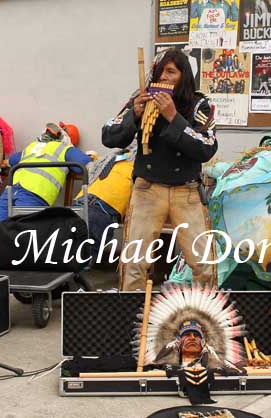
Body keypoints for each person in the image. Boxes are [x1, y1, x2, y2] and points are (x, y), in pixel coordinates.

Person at [102, 49, 218, 291]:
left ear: (183, 76)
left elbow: (207, 148)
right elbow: (108, 135)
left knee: (203, 264)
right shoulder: (142, 97)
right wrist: (134, 115)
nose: (163, 77)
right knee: (134, 264)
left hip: (186, 192)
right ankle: (129, 321)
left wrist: (173, 117)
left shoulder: (199, 104)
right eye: (160, 71)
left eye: (171, 72)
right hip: (147, 189)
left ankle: (204, 321)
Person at [0, 123, 92, 275]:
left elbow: (12, 160)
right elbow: (83, 164)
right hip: (30, 190)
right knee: (15, 227)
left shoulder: (35, 146)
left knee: (9, 226)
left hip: (22, 189)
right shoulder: (65, 150)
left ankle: (0, 264)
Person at [74, 146, 136, 262]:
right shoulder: (117, 157)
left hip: (96, 203)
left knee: (75, 244)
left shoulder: (116, 157)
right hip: (95, 203)